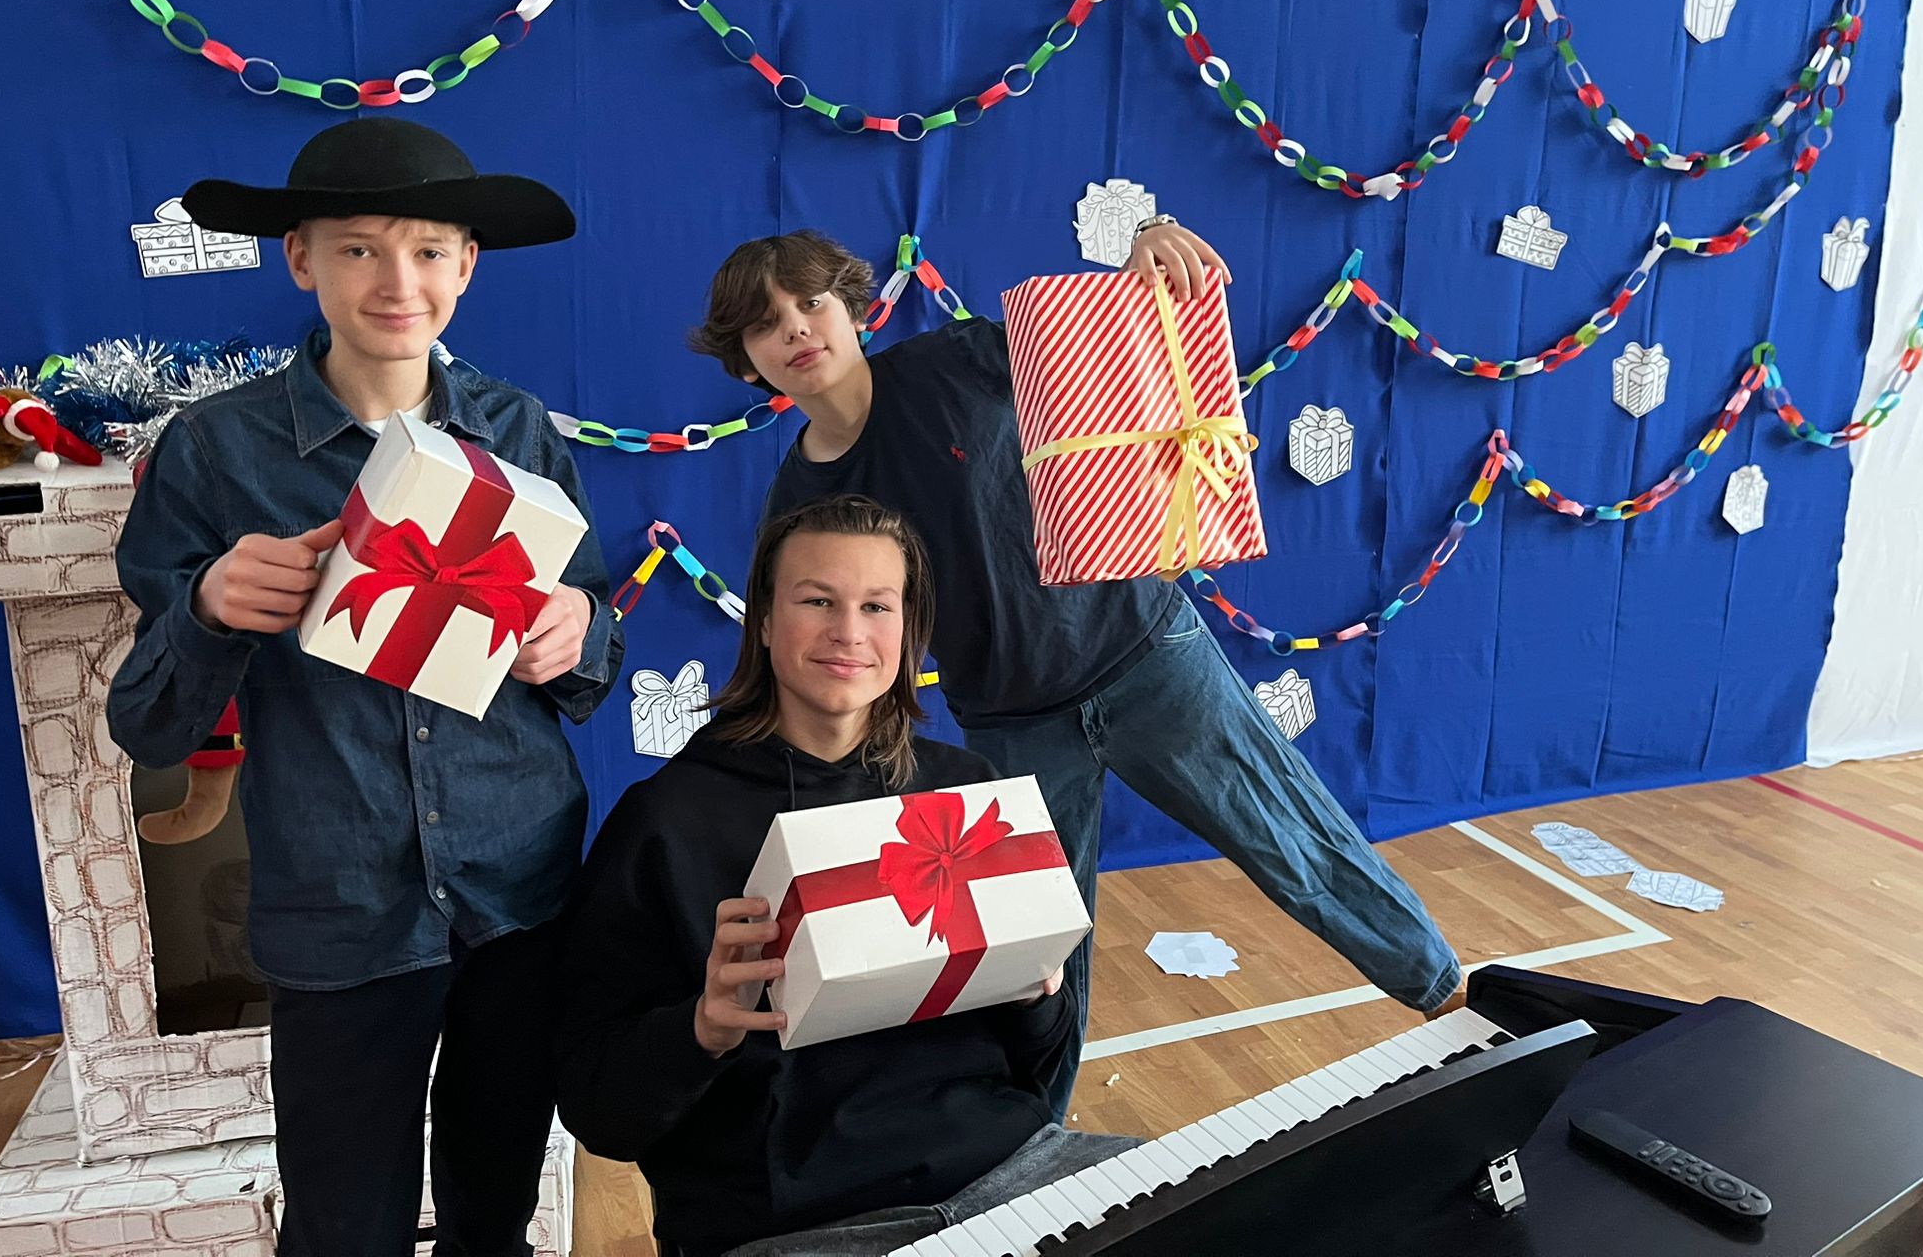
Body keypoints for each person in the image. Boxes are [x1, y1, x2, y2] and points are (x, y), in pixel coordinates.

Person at [688, 223, 1463, 1118]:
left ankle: (1454, 997)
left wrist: (1144, 245)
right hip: (1013, 725)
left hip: (1147, 655)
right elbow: (819, 658)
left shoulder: (956, 360)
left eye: (811, 301)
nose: (796, 327)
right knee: (1035, 962)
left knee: (1294, 838)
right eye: (766, 323)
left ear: (853, 308)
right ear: (746, 362)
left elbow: (1095, 332)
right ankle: (1036, 1141)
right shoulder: (801, 506)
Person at [108, 118, 624, 1257]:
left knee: (496, 1211)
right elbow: (145, 720)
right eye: (358, 249)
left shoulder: (519, 431)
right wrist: (208, 610)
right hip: (340, 904)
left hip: (518, 888)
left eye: (429, 250)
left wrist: (579, 631)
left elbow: (592, 649)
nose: (399, 282)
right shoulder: (215, 453)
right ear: (300, 259)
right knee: (343, 1227)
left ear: (467, 266)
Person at [553, 495, 1139, 1257]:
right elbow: (597, 1112)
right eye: (818, 601)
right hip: (795, 1222)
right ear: (764, 621)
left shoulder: (967, 793)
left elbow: (1039, 1065)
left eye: (876, 606)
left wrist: (1038, 995)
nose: (850, 633)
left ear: (908, 629)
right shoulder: (665, 825)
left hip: (1006, 1172)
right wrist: (702, 1029)